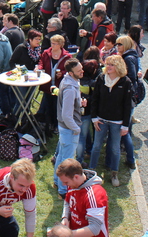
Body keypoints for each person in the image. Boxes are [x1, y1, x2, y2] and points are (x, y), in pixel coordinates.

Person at [88, 54, 134, 186]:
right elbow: (95, 98)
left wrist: (125, 125)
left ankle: (114, 173)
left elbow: (127, 105)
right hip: (101, 119)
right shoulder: (101, 78)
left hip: (117, 122)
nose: (108, 67)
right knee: (96, 146)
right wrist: (94, 118)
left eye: (112, 65)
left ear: (118, 66)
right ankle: (91, 171)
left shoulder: (125, 82)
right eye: (107, 64)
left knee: (115, 148)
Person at [55, 158, 108, 236]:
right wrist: (65, 217)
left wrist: (67, 235)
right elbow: (67, 201)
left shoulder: (94, 194)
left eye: (66, 182)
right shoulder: (73, 184)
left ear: (76, 177)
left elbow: (95, 229)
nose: (64, 185)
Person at [55, 61, 83, 196]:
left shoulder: (68, 80)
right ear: (71, 73)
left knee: (61, 157)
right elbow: (67, 115)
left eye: (81, 69)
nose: (82, 72)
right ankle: (63, 190)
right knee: (67, 162)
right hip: (69, 129)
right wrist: (76, 129)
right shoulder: (70, 89)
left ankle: (57, 181)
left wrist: (80, 103)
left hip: (63, 127)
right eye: (79, 71)